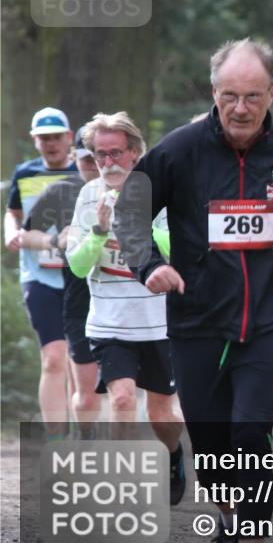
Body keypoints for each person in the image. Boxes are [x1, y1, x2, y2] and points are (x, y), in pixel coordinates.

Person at [115, 38, 273, 543]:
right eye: (230, 95)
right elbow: (130, 214)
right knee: (212, 452)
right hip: (198, 323)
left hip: (270, 323)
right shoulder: (178, 152)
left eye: (252, 96)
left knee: (251, 436)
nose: (240, 107)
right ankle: (227, 525)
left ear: (272, 92)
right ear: (214, 92)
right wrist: (148, 266)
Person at [65, 112, 186, 504]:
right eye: (99, 155)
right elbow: (79, 266)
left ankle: (172, 455)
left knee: (162, 416)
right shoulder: (88, 196)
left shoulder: (157, 192)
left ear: (134, 152)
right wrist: (100, 232)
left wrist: (137, 225)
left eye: (115, 153)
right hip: (108, 321)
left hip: (157, 323)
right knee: (119, 399)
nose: (108, 163)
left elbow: (176, 249)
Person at [24, 128, 102, 437]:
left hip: (127, 302)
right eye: (86, 158)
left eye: (99, 156)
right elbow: (26, 234)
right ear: (75, 158)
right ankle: (81, 439)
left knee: (122, 387)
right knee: (83, 386)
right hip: (77, 297)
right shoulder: (62, 191)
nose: (94, 164)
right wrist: (56, 240)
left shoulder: (136, 190)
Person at [4, 107, 77, 438]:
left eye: (56, 137)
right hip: (39, 276)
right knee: (53, 358)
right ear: (35, 141)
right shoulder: (25, 172)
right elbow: (13, 213)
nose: (50, 144)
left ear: (69, 138)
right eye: (43, 138)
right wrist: (10, 232)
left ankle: (85, 433)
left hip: (80, 275)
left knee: (80, 362)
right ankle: (57, 437)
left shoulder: (84, 171)